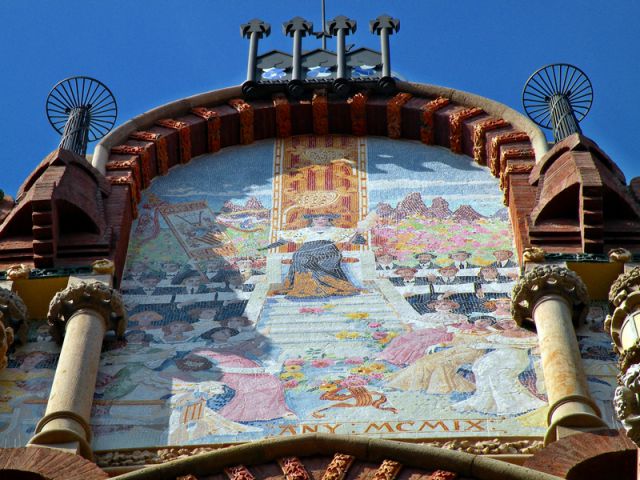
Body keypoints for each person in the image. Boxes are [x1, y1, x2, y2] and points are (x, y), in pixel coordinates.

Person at [265, 213, 364, 298]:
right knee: (299, 256)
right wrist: (267, 247)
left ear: (328, 219)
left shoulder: (335, 230)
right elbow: (285, 239)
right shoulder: (304, 231)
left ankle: (327, 284)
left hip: (327, 251)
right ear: (312, 220)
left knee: (323, 259)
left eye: (323, 218)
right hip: (306, 250)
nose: (320, 221)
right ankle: (305, 287)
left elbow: (358, 240)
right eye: (316, 218)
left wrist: (358, 232)